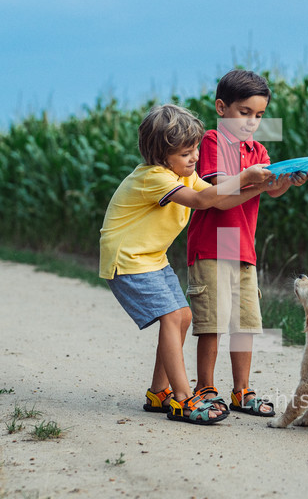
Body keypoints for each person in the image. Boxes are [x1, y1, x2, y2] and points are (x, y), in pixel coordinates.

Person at [99, 103, 273, 425]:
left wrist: (261, 185)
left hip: (152, 259)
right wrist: (244, 176)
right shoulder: (154, 177)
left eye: (195, 149)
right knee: (171, 316)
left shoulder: (184, 174)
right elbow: (201, 201)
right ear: (161, 155)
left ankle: (158, 392)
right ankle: (182, 398)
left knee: (183, 317)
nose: (194, 158)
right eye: (185, 153)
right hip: (128, 261)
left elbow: (219, 199)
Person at [185, 69, 308, 417]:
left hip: (242, 248)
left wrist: (286, 180)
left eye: (259, 115)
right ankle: (205, 388)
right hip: (211, 245)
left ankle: (241, 391)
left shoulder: (259, 150)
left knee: (245, 323)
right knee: (212, 321)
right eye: (244, 113)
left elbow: (268, 189)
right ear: (222, 107)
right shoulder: (212, 142)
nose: (252, 122)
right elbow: (221, 196)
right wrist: (254, 180)